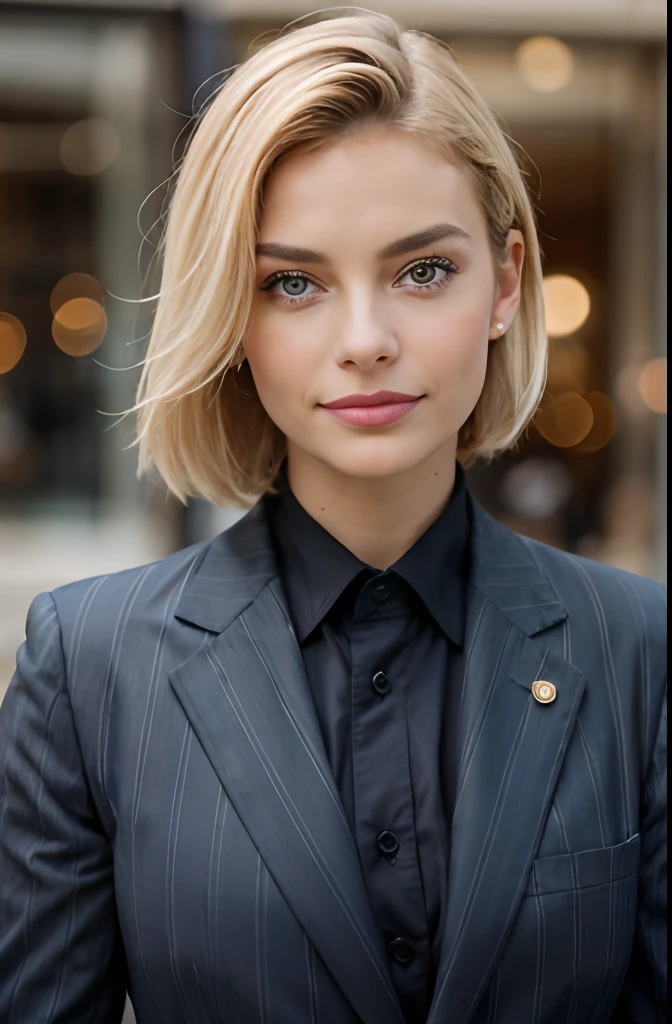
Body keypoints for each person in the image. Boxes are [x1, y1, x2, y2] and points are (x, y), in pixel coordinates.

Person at [0, 10, 666, 1024]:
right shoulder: (88, 667)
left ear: (506, 282)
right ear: (233, 312)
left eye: (422, 271)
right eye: (294, 282)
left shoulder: (639, 652)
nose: (366, 340)